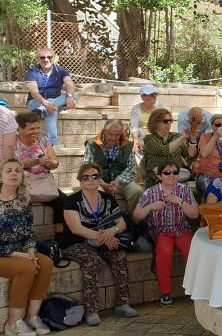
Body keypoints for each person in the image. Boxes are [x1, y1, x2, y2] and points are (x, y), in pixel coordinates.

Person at [60, 163, 139, 326]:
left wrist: (112, 231)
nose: (91, 179)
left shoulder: (108, 198)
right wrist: (105, 237)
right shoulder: (72, 200)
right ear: (80, 180)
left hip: (102, 242)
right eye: (86, 177)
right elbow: (76, 229)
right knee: (92, 261)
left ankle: (123, 304)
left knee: (119, 256)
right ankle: (92, 311)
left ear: (99, 179)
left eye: (95, 176)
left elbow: (122, 223)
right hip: (76, 243)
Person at [132, 160, 199, 307]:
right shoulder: (151, 192)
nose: (171, 175)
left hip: (182, 229)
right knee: (164, 252)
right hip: (161, 231)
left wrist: (179, 201)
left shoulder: (185, 191)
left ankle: (196, 290)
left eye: (175, 172)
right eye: (167, 173)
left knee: (193, 252)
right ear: (159, 176)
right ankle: (165, 292)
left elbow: (195, 214)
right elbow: (136, 215)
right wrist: (150, 207)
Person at [0, 159, 53, 335]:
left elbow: (29, 231)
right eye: (8, 170)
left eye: (17, 170)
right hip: (4, 253)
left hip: (20, 251)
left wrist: (30, 250)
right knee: (26, 268)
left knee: (46, 263)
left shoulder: (24, 199)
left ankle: (32, 317)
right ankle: (13, 323)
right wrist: (23, 256)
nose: (14, 173)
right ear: (1, 176)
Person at [83, 119, 144, 214]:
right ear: (104, 132)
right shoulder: (92, 145)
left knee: (137, 191)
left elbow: (131, 169)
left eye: (117, 135)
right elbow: (87, 169)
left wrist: (118, 181)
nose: (113, 138)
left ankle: (133, 218)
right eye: (110, 134)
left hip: (120, 182)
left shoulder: (127, 145)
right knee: (93, 189)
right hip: (98, 182)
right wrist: (102, 183)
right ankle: (99, 220)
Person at [23, 47, 77, 146]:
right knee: (51, 112)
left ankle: (42, 110)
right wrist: (46, 103)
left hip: (48, 104)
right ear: (38, 59)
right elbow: (34, 93)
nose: (46, 59)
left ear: (54, 58)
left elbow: (69, 84)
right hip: (35, 102)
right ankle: (53, 143)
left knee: (74, 94)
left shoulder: (61, 70)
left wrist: (69, 96)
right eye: (42, 57)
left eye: (49, 57)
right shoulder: (32, 72)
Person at [142, 108, 198, 188]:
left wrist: (193, 140)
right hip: (156, 178)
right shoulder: (149, 139)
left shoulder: (176, 136)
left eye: (170, 121)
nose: (169, 124)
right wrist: (183, 137)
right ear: (155, 123)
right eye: (165, 121)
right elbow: (165, 151)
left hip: (176, 175)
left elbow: (190, 154)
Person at [14, 112, 59, 193]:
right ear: (19, 129)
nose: (36, 131)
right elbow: (7, 166)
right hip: (21, 186)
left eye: (38, 128)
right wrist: (35, 162)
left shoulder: (43, 139)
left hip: (43, 183)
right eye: (32, 129)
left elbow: (55, 162)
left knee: (65, 200)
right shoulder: (12, 143)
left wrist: (50, 163)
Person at [194, 114, 222, 196]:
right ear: (212, 126)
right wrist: (215, 137)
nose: (221, 127)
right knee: (212, 193)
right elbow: (204, 153)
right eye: (217, 124)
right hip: (207, 175)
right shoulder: (205, 136)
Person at [129, 84, 165, 151]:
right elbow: (134, 127)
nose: (154, 97)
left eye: (155, 94)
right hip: (142, 139)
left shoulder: (160, 107)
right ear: (142, 97)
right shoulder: (136, 109)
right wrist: (136, 141)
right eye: (151, 95)